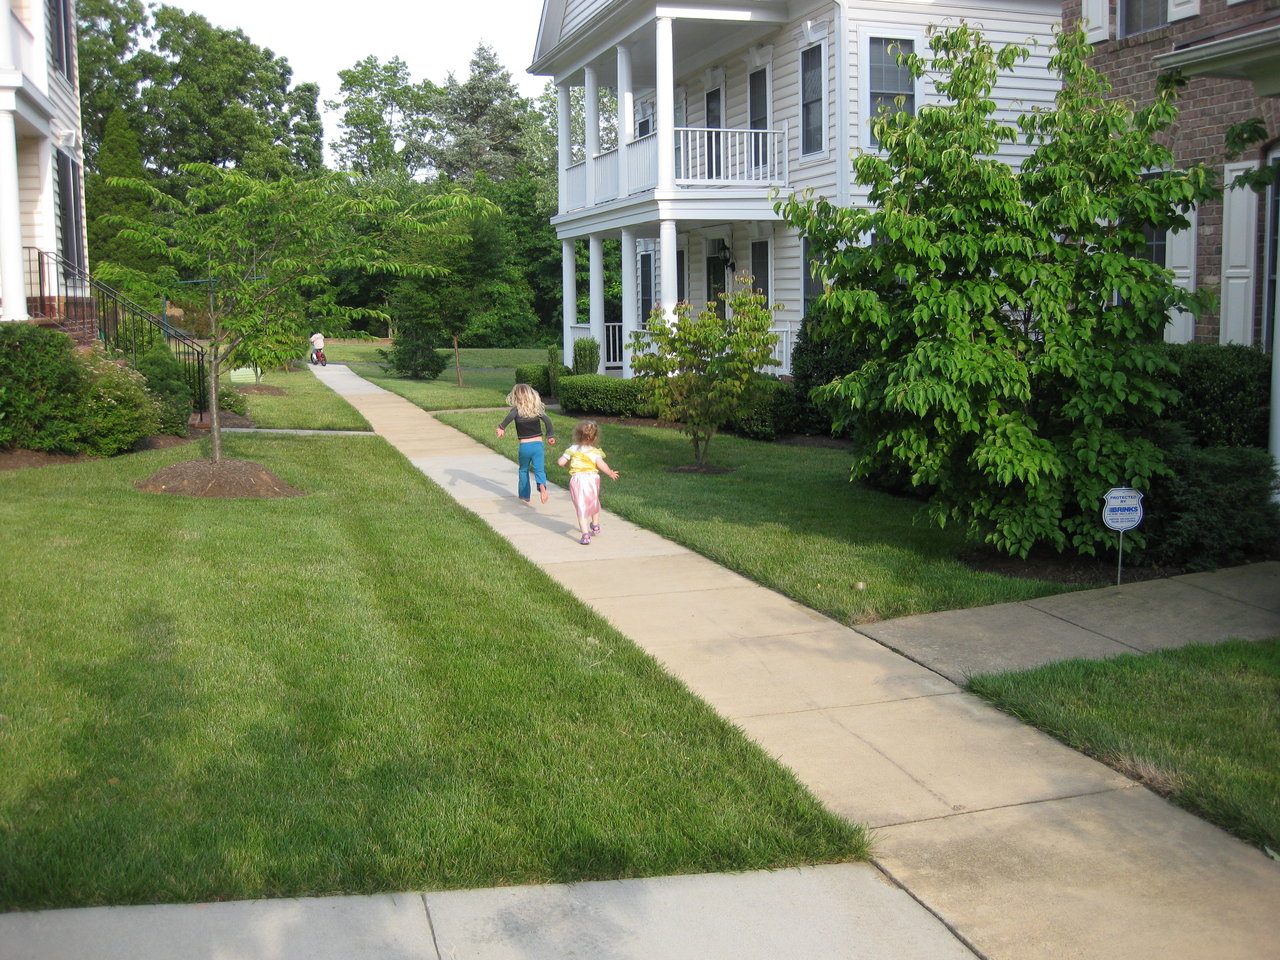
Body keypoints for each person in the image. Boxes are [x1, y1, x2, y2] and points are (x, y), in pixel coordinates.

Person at [557, 420, 619, 545]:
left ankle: (585, 534)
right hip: (592, 479)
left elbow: (561, 462)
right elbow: (602, 465)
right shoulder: (595, 452)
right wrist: (610, 473)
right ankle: (595, 525)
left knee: (581, 505)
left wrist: (568, 462)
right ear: (595, 437)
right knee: (594, 501)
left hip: (578, 480)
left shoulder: (573, 449)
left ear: (577, 435)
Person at [496, 384, 556, 504]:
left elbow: (508, 419)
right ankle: (542, 487)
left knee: (523, 469)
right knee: (539, 470)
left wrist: (501, 428)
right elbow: (548, 421)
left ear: (515, 397)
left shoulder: (516, 411)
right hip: (538, 446)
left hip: (525, 447)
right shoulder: (536, 410)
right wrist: (550, 435)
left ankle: (525, 495)